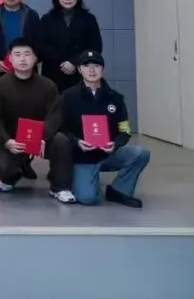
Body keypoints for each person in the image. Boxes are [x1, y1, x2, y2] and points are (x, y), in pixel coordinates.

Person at [0, 38, 76, 203]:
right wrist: (7, 141)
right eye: (17, 54)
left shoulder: (48, 86)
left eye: (27, 54)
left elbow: (55, 115)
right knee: (1, 165)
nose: (22, 59)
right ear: (10, 58)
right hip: (13, 140)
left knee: (61, 142)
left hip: (42, 139)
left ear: (35, 58)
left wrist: (43, 137)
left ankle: (60, 187)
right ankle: (11, 176)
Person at [57, 50, 149, 208]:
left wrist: (116, 144)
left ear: (103, 69)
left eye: (96, 66)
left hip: (108, 154)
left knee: (141, 153)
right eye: (87, 66)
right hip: (82, 156)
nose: (92, 70)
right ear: (79, 69)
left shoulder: (115, 98)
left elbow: (125, 129)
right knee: (87, 198)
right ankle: (81, 180)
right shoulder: (68, 96)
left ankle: (119, 190)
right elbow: (61, 127)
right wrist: (76, 142)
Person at [40, 0, 104, 93]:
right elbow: (42, 45)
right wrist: (62, 62)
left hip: (79, 71)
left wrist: (74, 62)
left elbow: (96, 46)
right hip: (53, 71)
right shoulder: (47, 19)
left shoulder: (88, 19)